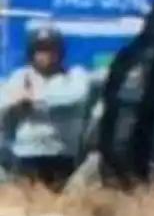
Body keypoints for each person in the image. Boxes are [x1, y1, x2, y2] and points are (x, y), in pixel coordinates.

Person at [0, 25, 91, 190]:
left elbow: (75, 97)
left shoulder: (74, 75)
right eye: (41, 50)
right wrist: (15, 102)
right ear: (32, 53)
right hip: (26, 154)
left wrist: (34, 99)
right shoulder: (20, 76)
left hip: (62, 154)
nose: (47, 55)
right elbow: (4, 102)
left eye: (51, 49)